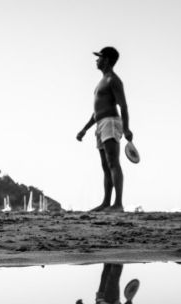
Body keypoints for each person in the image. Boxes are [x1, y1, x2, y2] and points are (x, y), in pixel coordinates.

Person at [76, 47, 133, 212]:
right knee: (105, 165)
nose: (96, 60)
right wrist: (84, 129)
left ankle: (118, 204)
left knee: (113, 163)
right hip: (101, 123)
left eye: (99, 57)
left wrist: (127, 128)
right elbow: (96, 112)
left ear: (107, 60)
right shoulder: (102, 81)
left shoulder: (113, 80)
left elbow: (123, 106)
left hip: (111, 122)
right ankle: (106, 202)